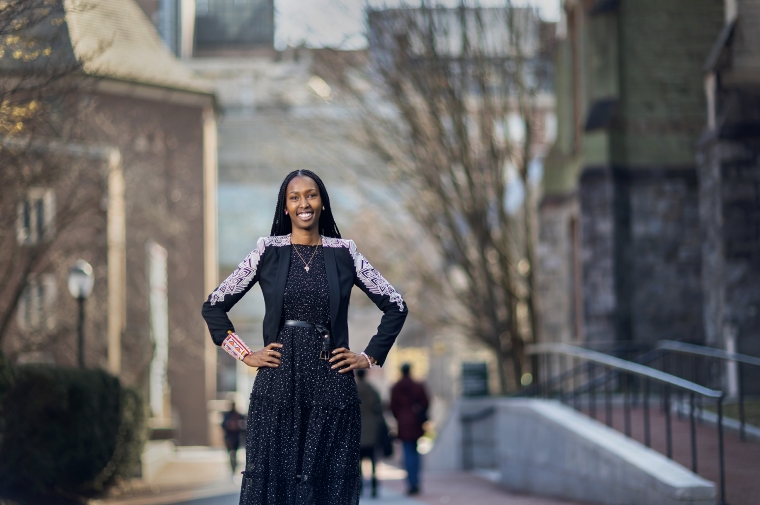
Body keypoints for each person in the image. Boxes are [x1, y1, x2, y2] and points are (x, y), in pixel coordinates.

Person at [201, 170, 408, 505]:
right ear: (285, 208)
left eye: (310, 195)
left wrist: (368, 356)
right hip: (278, 383)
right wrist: (244, 353)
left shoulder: (346, 253)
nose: (303, 204)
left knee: (328, 484)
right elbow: (213, 306)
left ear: (322, 202)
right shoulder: (267, 251)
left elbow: (396, 305)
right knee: (276, 486)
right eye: (294, 197)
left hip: (332, 382)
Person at [390, 363, 429, 496]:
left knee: (407, 453)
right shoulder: (417, 386)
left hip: (403, 423)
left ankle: (411, 483)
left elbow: (392, 406)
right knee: (415, 452)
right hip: (415, 422)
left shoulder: (396, 387)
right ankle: (415, 482)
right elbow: (426, 403)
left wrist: (399, 417)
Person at [356, 369, 382, 498]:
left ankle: (359, 485)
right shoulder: (372, 390)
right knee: (372, 461)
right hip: (371, 429)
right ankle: (373, 486)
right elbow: (379, 408)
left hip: (358, 429)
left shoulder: (353, 390)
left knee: (358, 461)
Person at [221, 401, 244, 476]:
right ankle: (232, 469)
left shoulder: (239, 415)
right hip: (229, 438)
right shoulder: (227, 415)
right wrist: (229, 425)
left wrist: (237, 425)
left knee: (234, 454)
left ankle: (234, 469)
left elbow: (244, 426)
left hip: (236, 438)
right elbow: (223, 425)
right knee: (231, 455)